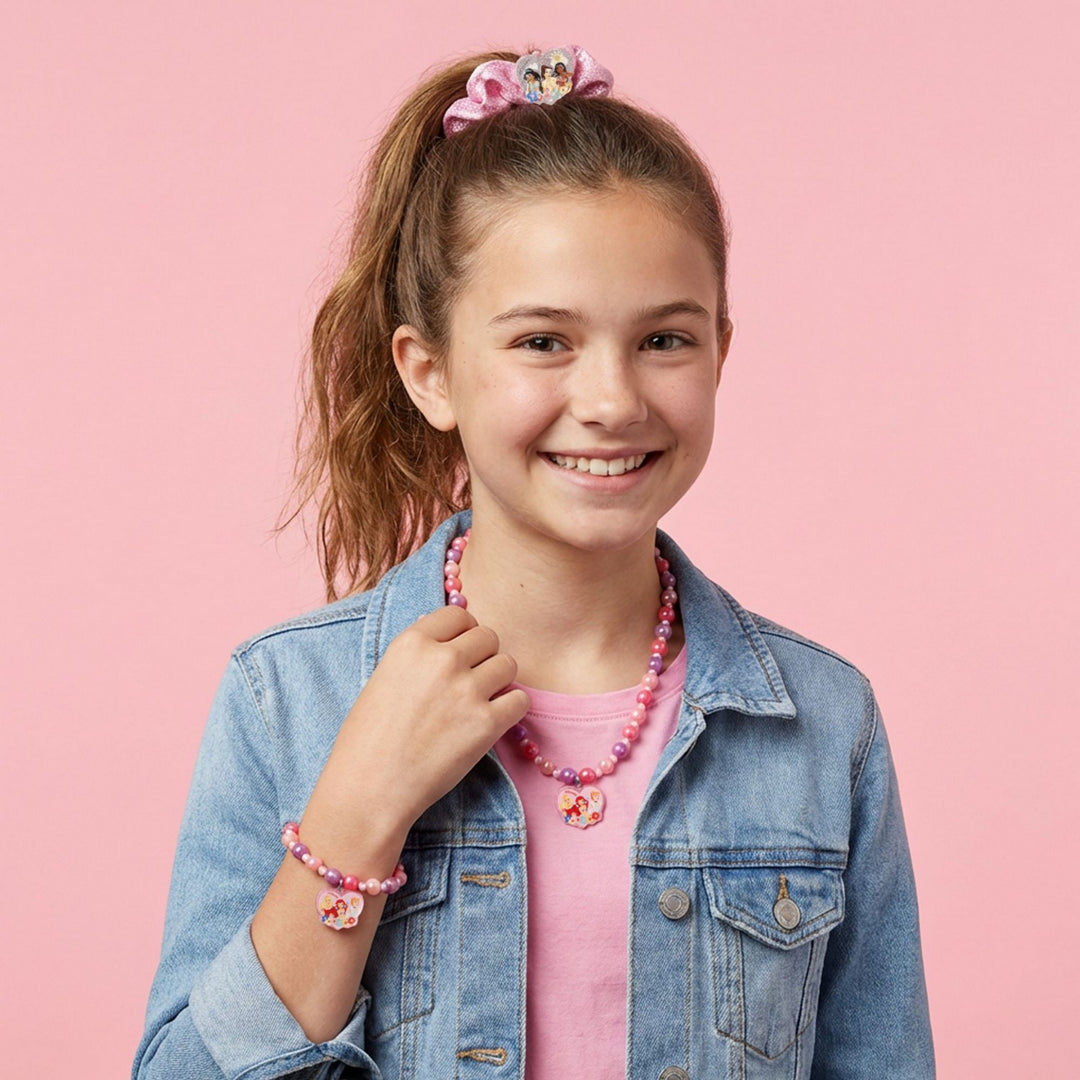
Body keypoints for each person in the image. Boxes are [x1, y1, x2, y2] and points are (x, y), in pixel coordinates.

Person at [133, 44, 935, 1080]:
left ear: (722, 355)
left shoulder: (825, 725)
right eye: (544, 342)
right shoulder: (288, 698)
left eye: (665, 341)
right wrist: (354, 817)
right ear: (431, 374)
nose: (611, 399)